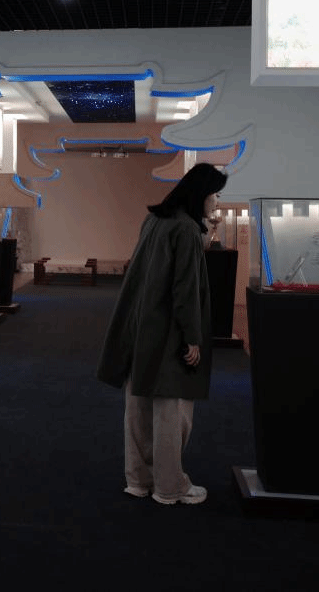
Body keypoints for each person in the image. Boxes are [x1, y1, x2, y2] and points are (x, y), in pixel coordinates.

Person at [96, 162, 228, 505]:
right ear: (200, 193)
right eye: (215, 194)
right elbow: (185, 288)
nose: (216, 201)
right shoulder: (186, 229)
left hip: (141, 326)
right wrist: (192, 337)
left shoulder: (155, 220)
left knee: (138, 405)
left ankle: (138, 480)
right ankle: (170, 487)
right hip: (169, 331)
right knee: (172, 411)